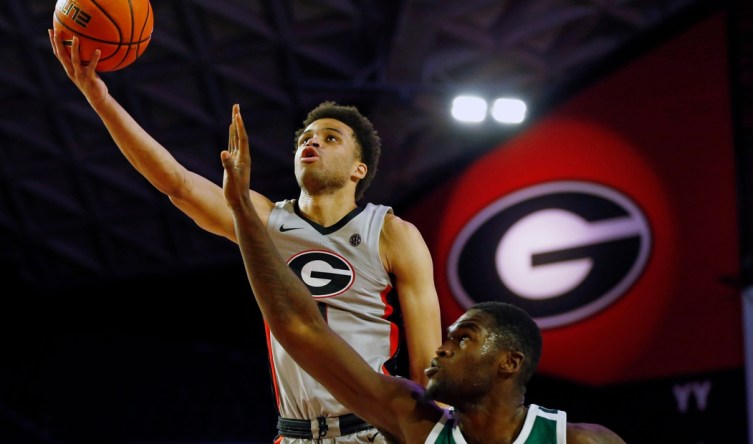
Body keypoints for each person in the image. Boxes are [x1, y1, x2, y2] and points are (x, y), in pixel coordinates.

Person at [48, 31, 443, 442]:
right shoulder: (266, 220)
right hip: (294, 434)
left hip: (372, 430)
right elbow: (177, 184)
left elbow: (431, 367)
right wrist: (100, 99)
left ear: (358, 170)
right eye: (306, 138)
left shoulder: (392, 232)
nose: (312, 142)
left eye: (330, 138)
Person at [221, 103, 627, 443]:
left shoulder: (576, 439)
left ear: (508, 362)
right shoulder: (420, 427)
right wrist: (241, 209)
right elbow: (299, 326)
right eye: (452, 337)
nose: (442, 348)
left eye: (464, 338)